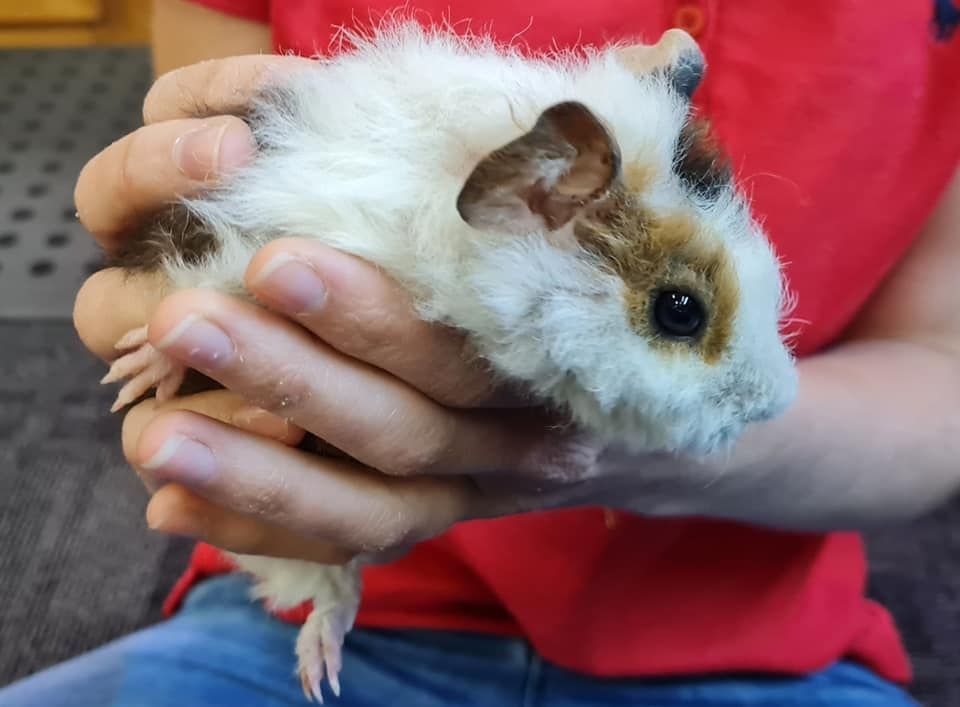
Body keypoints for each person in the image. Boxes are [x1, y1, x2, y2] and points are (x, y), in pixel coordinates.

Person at [4, 0, 960, 705]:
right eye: (677, 311)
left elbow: (940, 371)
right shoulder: (378, 186)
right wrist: (187, 329)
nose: (768, 386)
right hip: (309, 609)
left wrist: (592, 451)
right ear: (536, 199)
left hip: (755, 648)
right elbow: (199, 221)